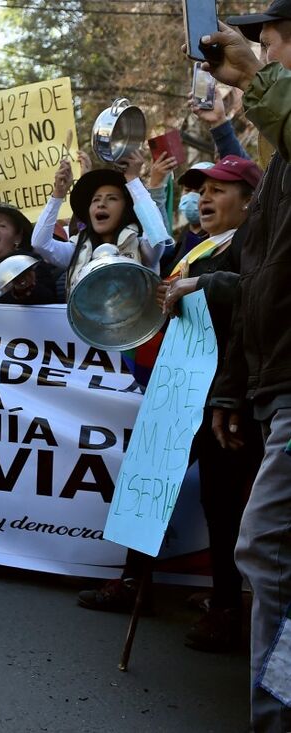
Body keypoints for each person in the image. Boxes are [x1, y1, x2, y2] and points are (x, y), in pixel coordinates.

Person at [77, 155, 265, 654]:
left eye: (219, 190)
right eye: (201, 190)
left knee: (222, 505)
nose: (204, 198)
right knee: (148, 480)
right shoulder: (200, 246)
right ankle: (134, 581)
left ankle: (227, 608)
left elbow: (253, 296)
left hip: (228, 394)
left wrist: (200, 285)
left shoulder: (255, 243)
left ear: (250, 201)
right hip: (179, 387)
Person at [196, 7, 291, 729]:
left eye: (270, 42)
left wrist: (257, 81)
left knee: (264, 547)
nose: (262, 53)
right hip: (271, 385)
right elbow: (257, 275)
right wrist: (233, 386)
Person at [34, 152, 172, 297]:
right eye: (95, 200)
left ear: (127, 210)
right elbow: (40, 243)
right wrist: (58, 194)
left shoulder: (144, 249)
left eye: (112, 198)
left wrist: (132, 180)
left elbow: (157, 234)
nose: (101, 204)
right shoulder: (76, 251)